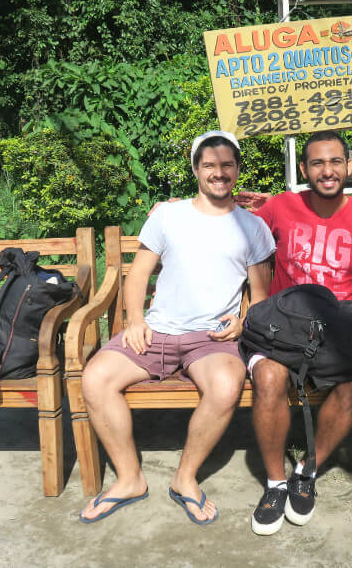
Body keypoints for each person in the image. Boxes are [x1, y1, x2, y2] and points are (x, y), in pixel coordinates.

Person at [78, 131, 275, 524]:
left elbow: (260, 292)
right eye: (210, 166)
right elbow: (138, 276)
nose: (219, 173)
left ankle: (185, 479)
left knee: (224, 385)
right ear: (196, 170)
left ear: (237, 169)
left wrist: (241, 321)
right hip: (156, 331)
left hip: (210, 338)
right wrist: (135, 319)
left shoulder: (253, 227)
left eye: (227, 165)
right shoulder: (168, 216)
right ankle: (129, 478)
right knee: (96, 377)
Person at [247, 130, 352, 535]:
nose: (327, 171)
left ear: (348, 166)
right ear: (304, 169)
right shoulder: (280, 207)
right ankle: (276, 482)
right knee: (267, 376)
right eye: (317, 163)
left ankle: (306, 471)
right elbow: (232, 229)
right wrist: (179, 206)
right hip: (284, 324)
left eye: (335, 162)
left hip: (342, 324)